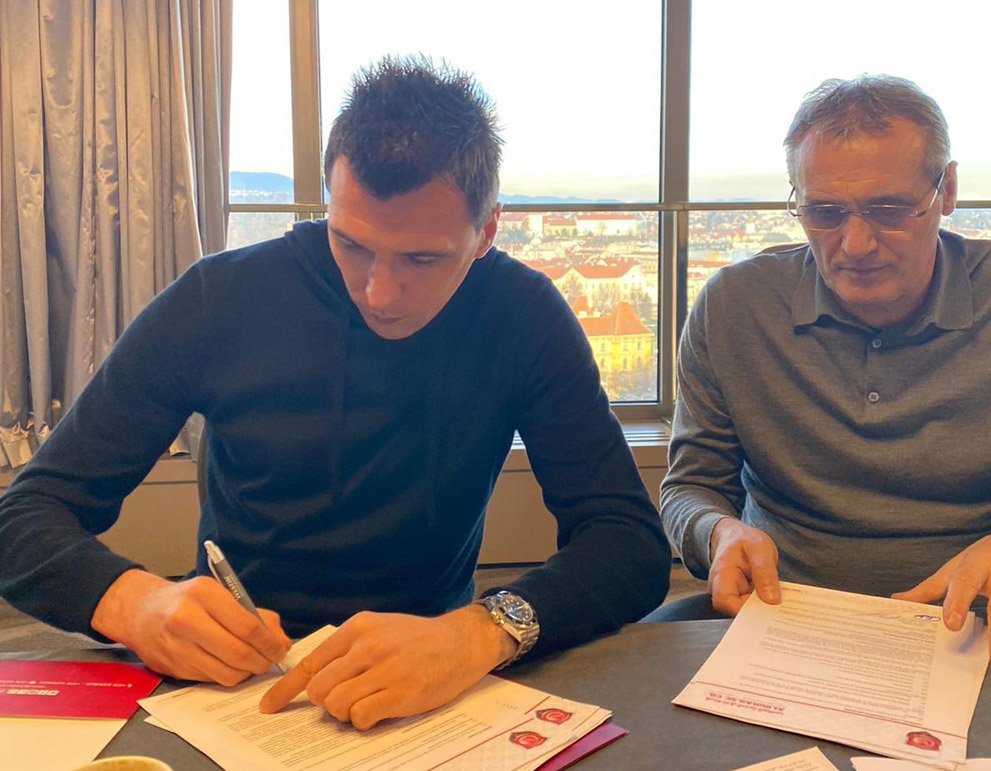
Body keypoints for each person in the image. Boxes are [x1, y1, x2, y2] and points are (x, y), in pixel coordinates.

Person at [0, 56, 672, 728]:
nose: (379, 293)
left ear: (486, 233)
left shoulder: (523, 315)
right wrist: (133, 602)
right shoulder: (219, 299)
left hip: (428, 677)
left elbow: (628, 543)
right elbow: (24, 517)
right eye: (350, 244)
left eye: (422, 258)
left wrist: (482, 631)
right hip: (232, 680)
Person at [659, 74, 991, 666]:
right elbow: (692, 485)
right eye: (824, 212)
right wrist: (718, 532)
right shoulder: (736, 306)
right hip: (782, 613)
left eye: (888, 210)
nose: (856, 243)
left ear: (947, 191)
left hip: (975, 623)